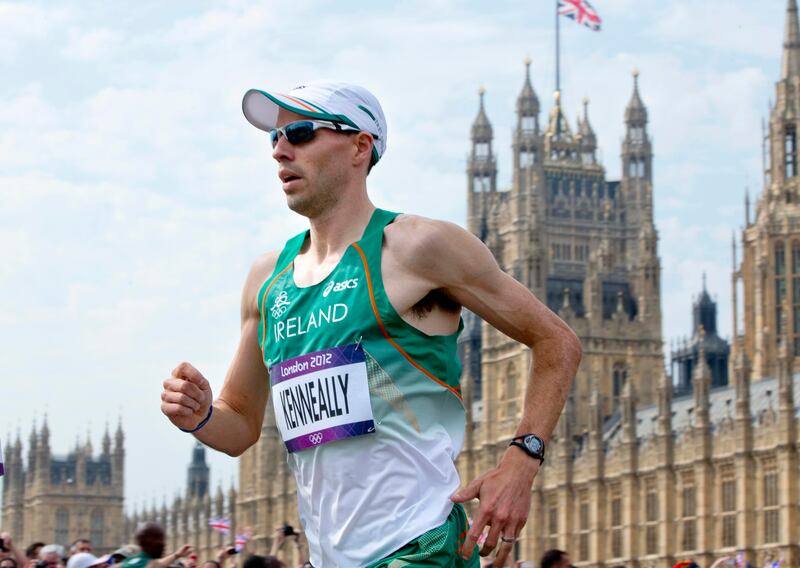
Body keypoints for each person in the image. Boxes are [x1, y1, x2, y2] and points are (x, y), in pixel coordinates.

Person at [161, 81, 582, 568]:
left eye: (299, 133)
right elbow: (239, 427)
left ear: (360, 146)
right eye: (273, 139)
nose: (280, 150)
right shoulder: (266, 281)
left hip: (420, 548)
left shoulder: (418, 247)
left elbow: (557, 341)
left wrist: (522, 461)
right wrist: (200, 416)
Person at [118, 523, 192, 568]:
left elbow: (160, 563)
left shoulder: (127, 561)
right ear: (150, 541)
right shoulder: (150, 564)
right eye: (160, 539)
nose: (164, 544)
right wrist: (176, 555)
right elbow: (157, 564)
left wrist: (176, 555)